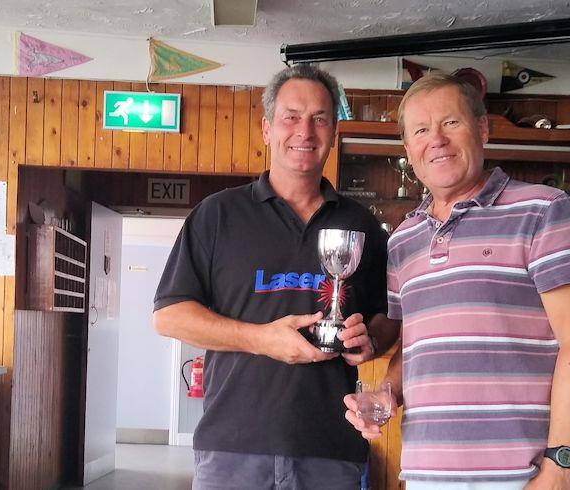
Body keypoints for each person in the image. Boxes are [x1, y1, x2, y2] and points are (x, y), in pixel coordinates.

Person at [345, 74, 570, 490]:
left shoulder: (542, 210)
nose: (437, 140)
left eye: (451, 123)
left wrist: (561, 465)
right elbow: (417, 344)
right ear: (408, 149)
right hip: (427, 474)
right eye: (422, 130)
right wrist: (385, 393)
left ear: (482, 129)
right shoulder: (404, 240)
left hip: (521, 476)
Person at [154, 64, 400, 490]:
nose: (305, 130)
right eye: (291, 116)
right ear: (267, 128)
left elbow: (389, 317)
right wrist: (263, 339)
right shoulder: (218, 215)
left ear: (333, 131)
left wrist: (370, 340)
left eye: (320, 118)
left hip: (331, 447)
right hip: (233, 449)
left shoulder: (361, 225)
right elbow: (170, 317)